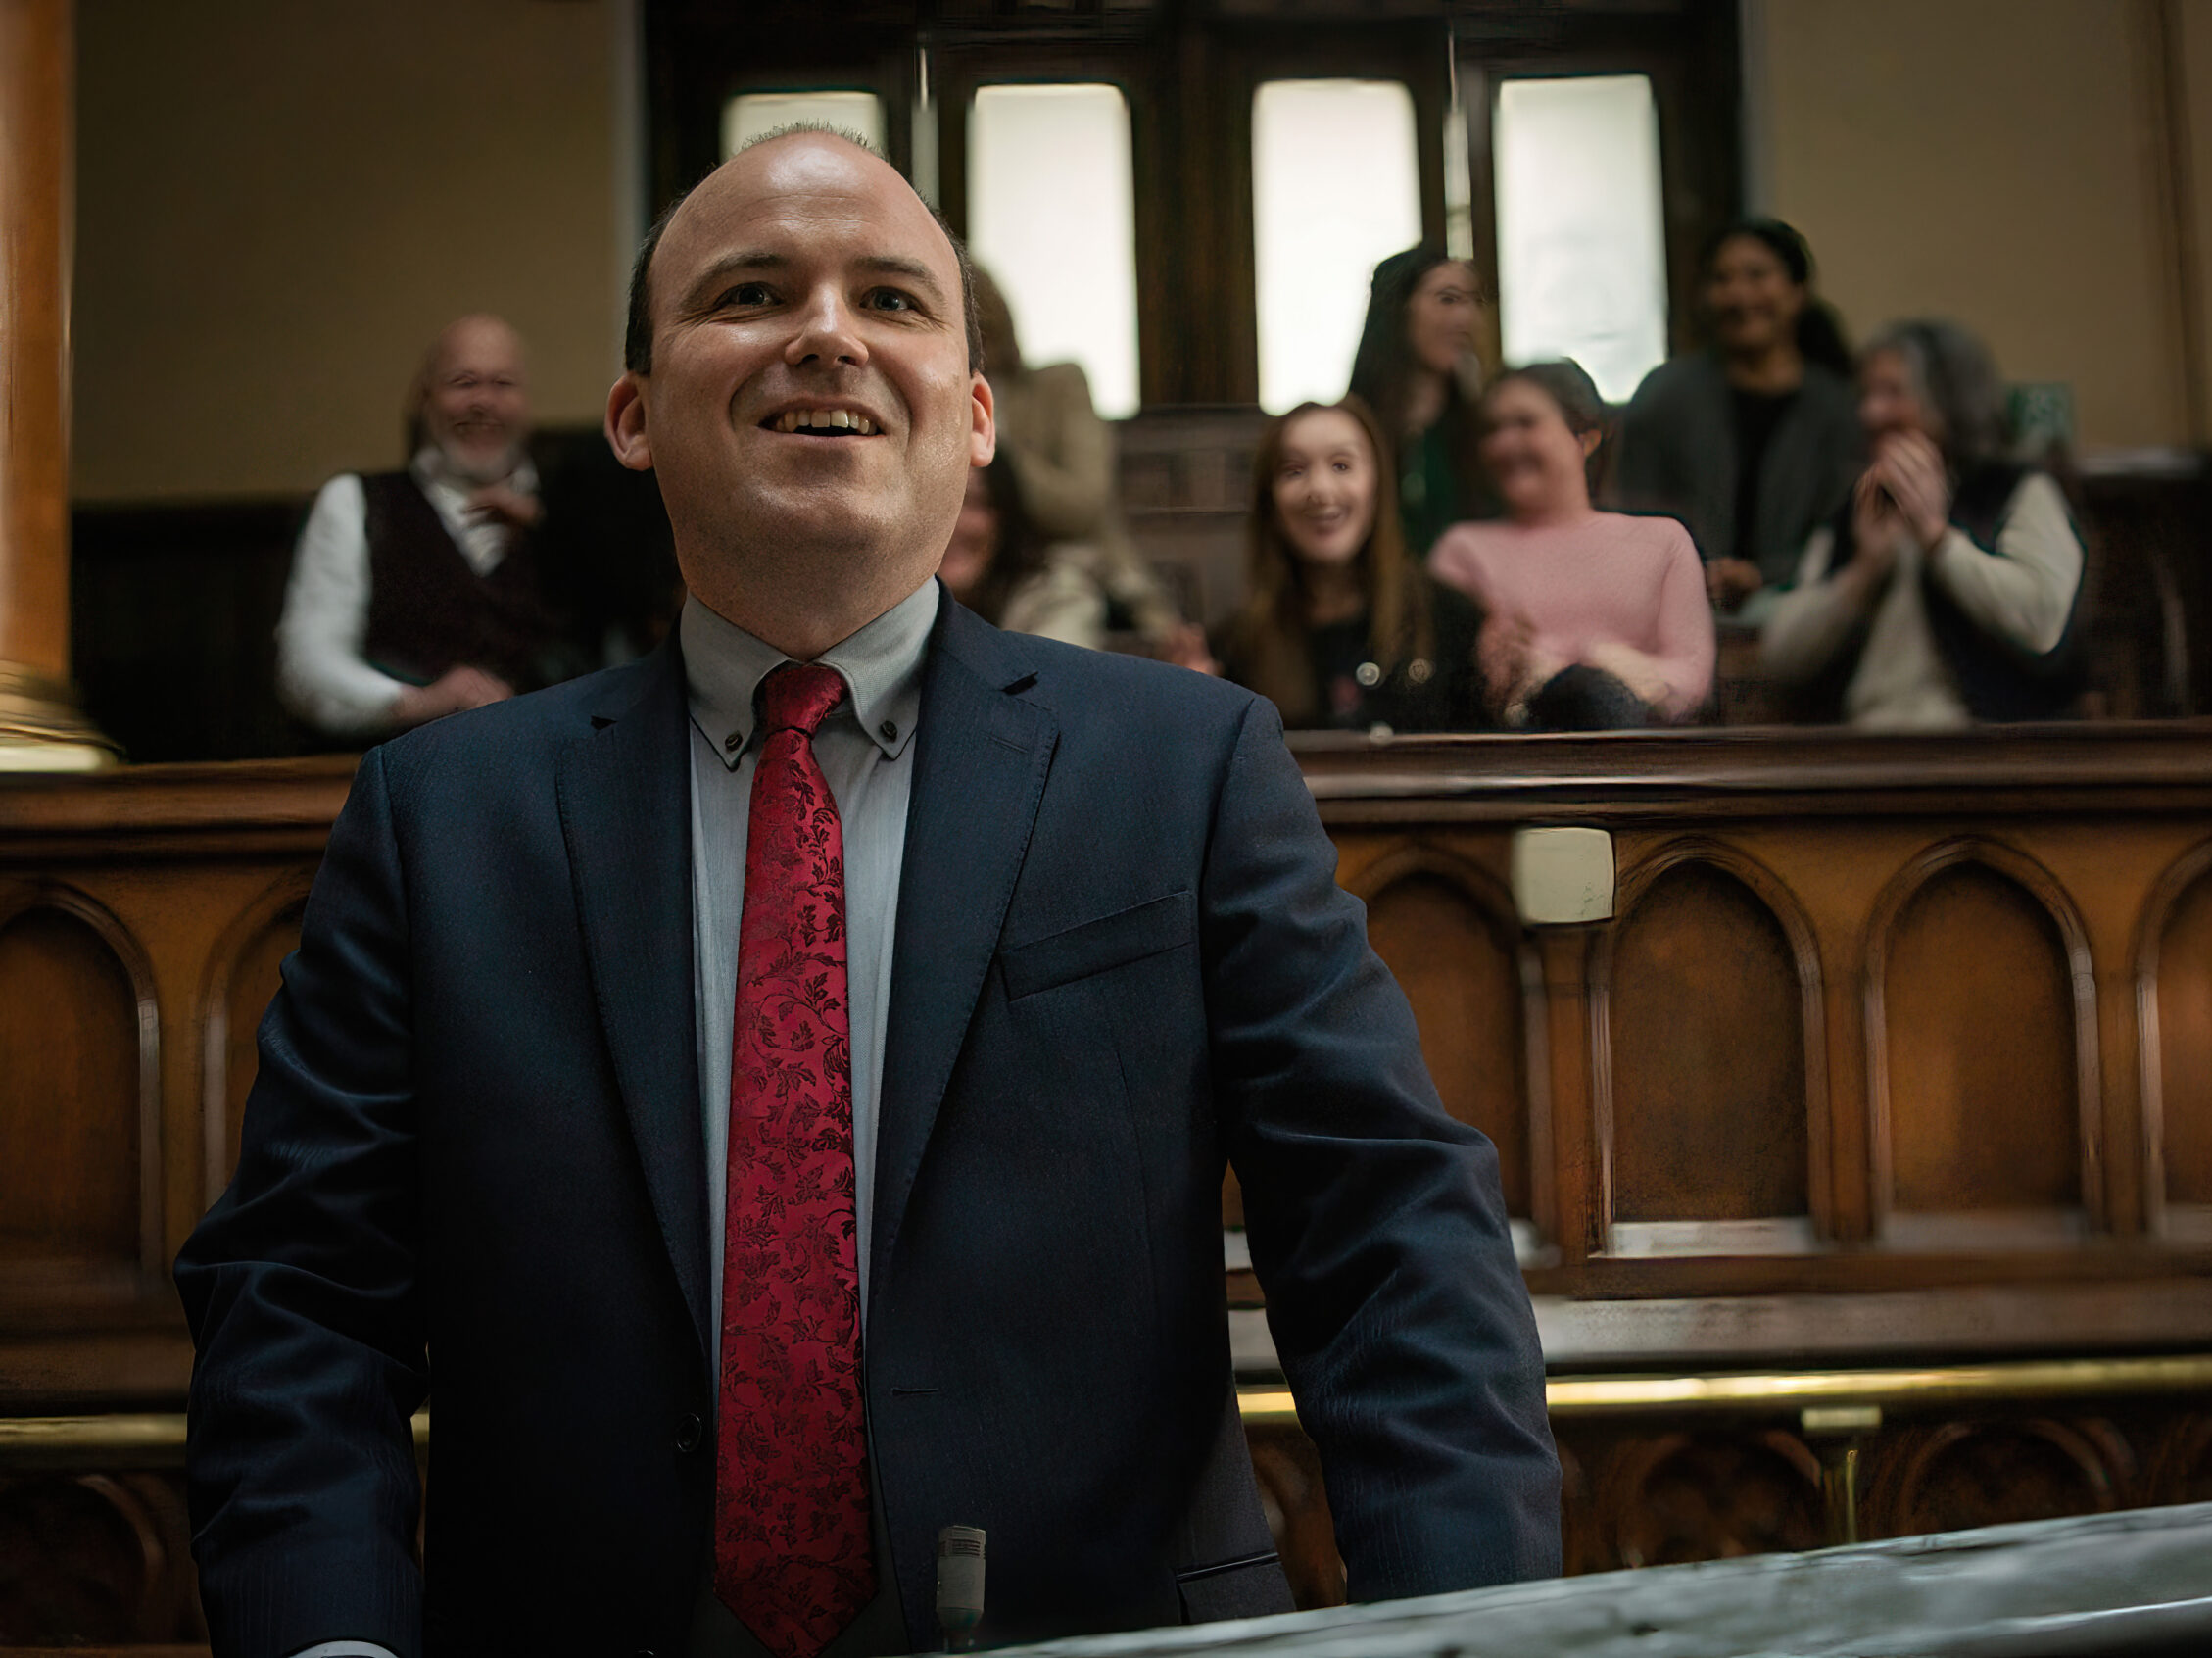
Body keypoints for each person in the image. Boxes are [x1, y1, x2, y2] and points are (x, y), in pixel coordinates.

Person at [176, 127, 1558, 1658]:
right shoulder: (443, 817)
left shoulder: (1188, 767)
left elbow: (1391, 1241)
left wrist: (1467, 1630)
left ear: (974, 418)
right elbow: (302, 1295)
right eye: (753, 291)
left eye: (892, 298)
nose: (824, 331)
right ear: (634, 415)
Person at [1759, 319, 2087, 728]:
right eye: (1867, 395)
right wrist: (1863, 573)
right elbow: (1782, 656)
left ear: (1949, 402)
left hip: (1989, 752)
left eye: (1893, 393)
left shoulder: (2015, 492)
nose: (1871, 413)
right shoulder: (1856, 508)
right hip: (1859, 753)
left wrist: (1938, 542)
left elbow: (2040, 622)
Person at [273, 314, 577, 739]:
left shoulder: (577, 518)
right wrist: (417, 702)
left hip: (554, 785)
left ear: (527, 402)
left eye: (502, 384)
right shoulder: (356, 503)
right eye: (463, 382)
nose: (483, 402)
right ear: (424, 398)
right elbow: (308, 668)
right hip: (397, 782)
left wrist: (554, 528)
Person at [1428, 362, 1715, 730]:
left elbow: (1691, 683)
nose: (1503, 444)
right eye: (1491, 430)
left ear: (1586, 436)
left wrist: (1589, 662)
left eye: (1525, 423)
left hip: (1641, 761)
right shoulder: (1462, 551)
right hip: (1512, 761)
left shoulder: (1663, 542)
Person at [1611, 220, 1863, 619]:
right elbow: (1633, 516)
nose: (1739, 294)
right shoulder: (1666, 395)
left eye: (1757, 276)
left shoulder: (1839, 408)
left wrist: (1762, 577)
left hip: (1805, 617)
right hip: (1675, 611)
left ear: (1797, 292)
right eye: (1721, 279)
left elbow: (1842, 534)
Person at [1200, 399, 1487, 733]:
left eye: (1341, 466)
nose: (1320, 490)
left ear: (1377, 487)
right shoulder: (1236, 646)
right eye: (1294, 471)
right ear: (1270, 503)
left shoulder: (1451, 618)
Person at [968, 266, 1180, 645]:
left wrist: (983, 428)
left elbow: (1081, 507)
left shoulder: (1058, 385)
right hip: (958, 571)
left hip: (1066, 572)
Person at [1345, 245, 1488, 561]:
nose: (1466, 318)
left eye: (1472, 301)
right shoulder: (1350, 430)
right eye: (1447, 299)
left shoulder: (1480, 431)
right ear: (1398, 309)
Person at [938, 449, 1105, 649]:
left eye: (974, 502)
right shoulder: (898, 605)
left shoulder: (1054, 599)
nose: (955, 524)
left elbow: (1051, 674)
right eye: (939, 503)